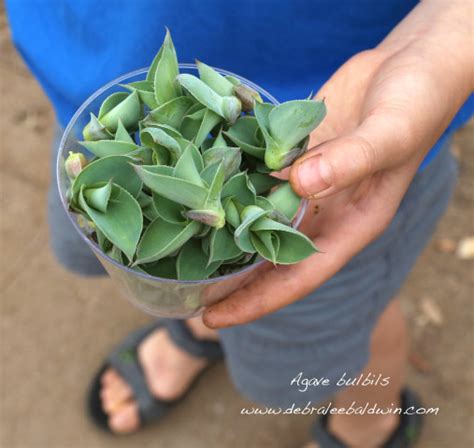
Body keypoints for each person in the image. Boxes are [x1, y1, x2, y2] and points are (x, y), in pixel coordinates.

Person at [6, 1, 472, 446]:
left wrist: (443, 38)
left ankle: (371, 421)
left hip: (351, 133)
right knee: (181, 275)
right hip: (105, 94)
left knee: (342, 312)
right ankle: (199, 326)